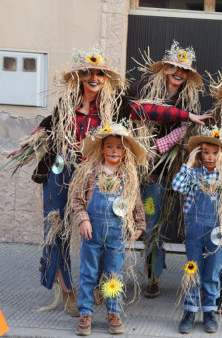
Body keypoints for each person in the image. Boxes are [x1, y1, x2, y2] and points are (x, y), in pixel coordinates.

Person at [6, 45, 209, 315]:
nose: (95, 77)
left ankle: (101, 287)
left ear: (105, 79)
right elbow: (48, 124)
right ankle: (66, 291)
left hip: (94, 175)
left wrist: (187, 116)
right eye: (89, 73)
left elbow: (148, 110)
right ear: (80, 77)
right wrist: (27, 143)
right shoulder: (68, 103)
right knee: (57, 230)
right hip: (60, 171)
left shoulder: (114, 106)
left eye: (100, 74)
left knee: (100, 230)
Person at [127, 40, 206, 298]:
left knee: (152, 222)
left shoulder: (187, 98)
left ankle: (152, 276)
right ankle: (107, 275)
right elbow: (135, 110)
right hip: (126, 166)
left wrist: (158, 148)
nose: (178, 72)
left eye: (184, 70)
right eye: (173, 66)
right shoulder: (142, 87)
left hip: (155, 172)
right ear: (164, 68)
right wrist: (140, 148)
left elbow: (186, 129)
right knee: (118, 218)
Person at [172, 125, 222, 334]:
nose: (210, 157)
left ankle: (209, 311)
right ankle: (190, 311)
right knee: (193, 270)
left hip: (218, 232)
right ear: (199, 153)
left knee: (212, 273)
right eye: (205, 152)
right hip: (194, 231)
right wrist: (189, 163)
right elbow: (178, 186)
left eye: (215, 153)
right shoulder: (193, 174)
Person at [71, 123, 147, 335]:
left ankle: (113, 312)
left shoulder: (128, 175)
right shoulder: (89, 171)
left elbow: (136, 202)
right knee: (88, 272)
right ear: (102, 148)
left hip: (117, 232)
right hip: (92, 231)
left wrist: (139, 224)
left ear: (124, 151)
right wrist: (83, 219)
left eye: (119, 147)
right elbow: (77, 199)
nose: (114, 151)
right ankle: (85, 313)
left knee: (114, 274)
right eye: (109, 146)